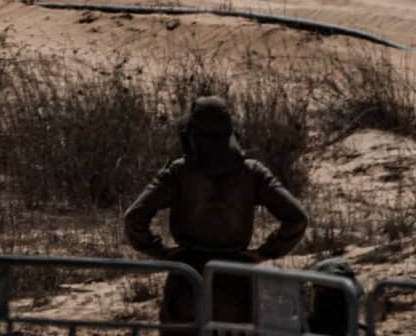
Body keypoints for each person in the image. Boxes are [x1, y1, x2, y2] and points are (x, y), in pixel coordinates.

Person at [124, 96, 308, 327]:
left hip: (187, 276)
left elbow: (134, 218)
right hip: (236, 277)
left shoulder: (179, 172)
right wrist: (264, 253)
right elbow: (297, 219)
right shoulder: (252, 172)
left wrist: (161, 252)